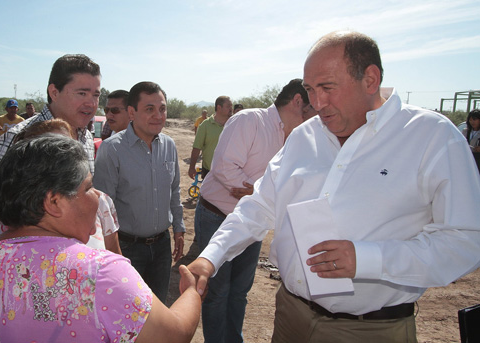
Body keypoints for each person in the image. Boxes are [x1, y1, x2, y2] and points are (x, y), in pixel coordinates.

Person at [186, 31, 480, 342]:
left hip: (369, 329)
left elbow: (467, 239)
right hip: (290, 314)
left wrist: (368, 258)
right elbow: (259, 206)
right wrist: (211, 257)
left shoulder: (431, 137)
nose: (316, 103)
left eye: (327, 88)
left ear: (370, 79)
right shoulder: (303, 137)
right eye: (311, 90)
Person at [0, 135, 201, 342]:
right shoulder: (99, 272)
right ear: (54, 202)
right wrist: (192, 293)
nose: (98, 197)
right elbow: (173, 336)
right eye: (88, 188)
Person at [195, 79, 315, 343]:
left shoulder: (297, 137)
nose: (314, 116)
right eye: (311, 108)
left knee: (239, 291)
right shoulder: (250, 121)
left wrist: (259, 194)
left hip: (254, 224)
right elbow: (225, 167)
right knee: (217, 291)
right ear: (297, 101)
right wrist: (259, 194)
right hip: (218, 216)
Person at [0, 119, 122, 255]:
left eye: (67, 147)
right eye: (51, 150)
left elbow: (116, 261)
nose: (62, 158)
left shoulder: (99, 202)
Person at [94, 81, 186, 302]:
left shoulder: (169, 145)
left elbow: (174, 190)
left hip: (162, 246)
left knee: (159, 307)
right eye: (149, 109)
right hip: (126, 248)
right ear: (132, 112)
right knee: (128, 311)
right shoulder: (112, 149)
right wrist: (112, 254)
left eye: (162, 108)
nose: (158, 115)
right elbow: (103, 207)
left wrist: (179, 227)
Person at [0, 54, 100, 220]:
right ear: (54, 92)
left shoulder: (86, 137)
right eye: (82, 93)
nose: (92, 103)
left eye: (96, 95)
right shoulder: (16, 139)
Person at [188, 96, 232, 179]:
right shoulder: (205, 125)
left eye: (231, 106)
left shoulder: (234, 123)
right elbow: (197, 147)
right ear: (219, 107)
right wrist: (191, 167)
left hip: (231, 173)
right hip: (209, 172)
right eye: (228, 106)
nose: (231, 108)